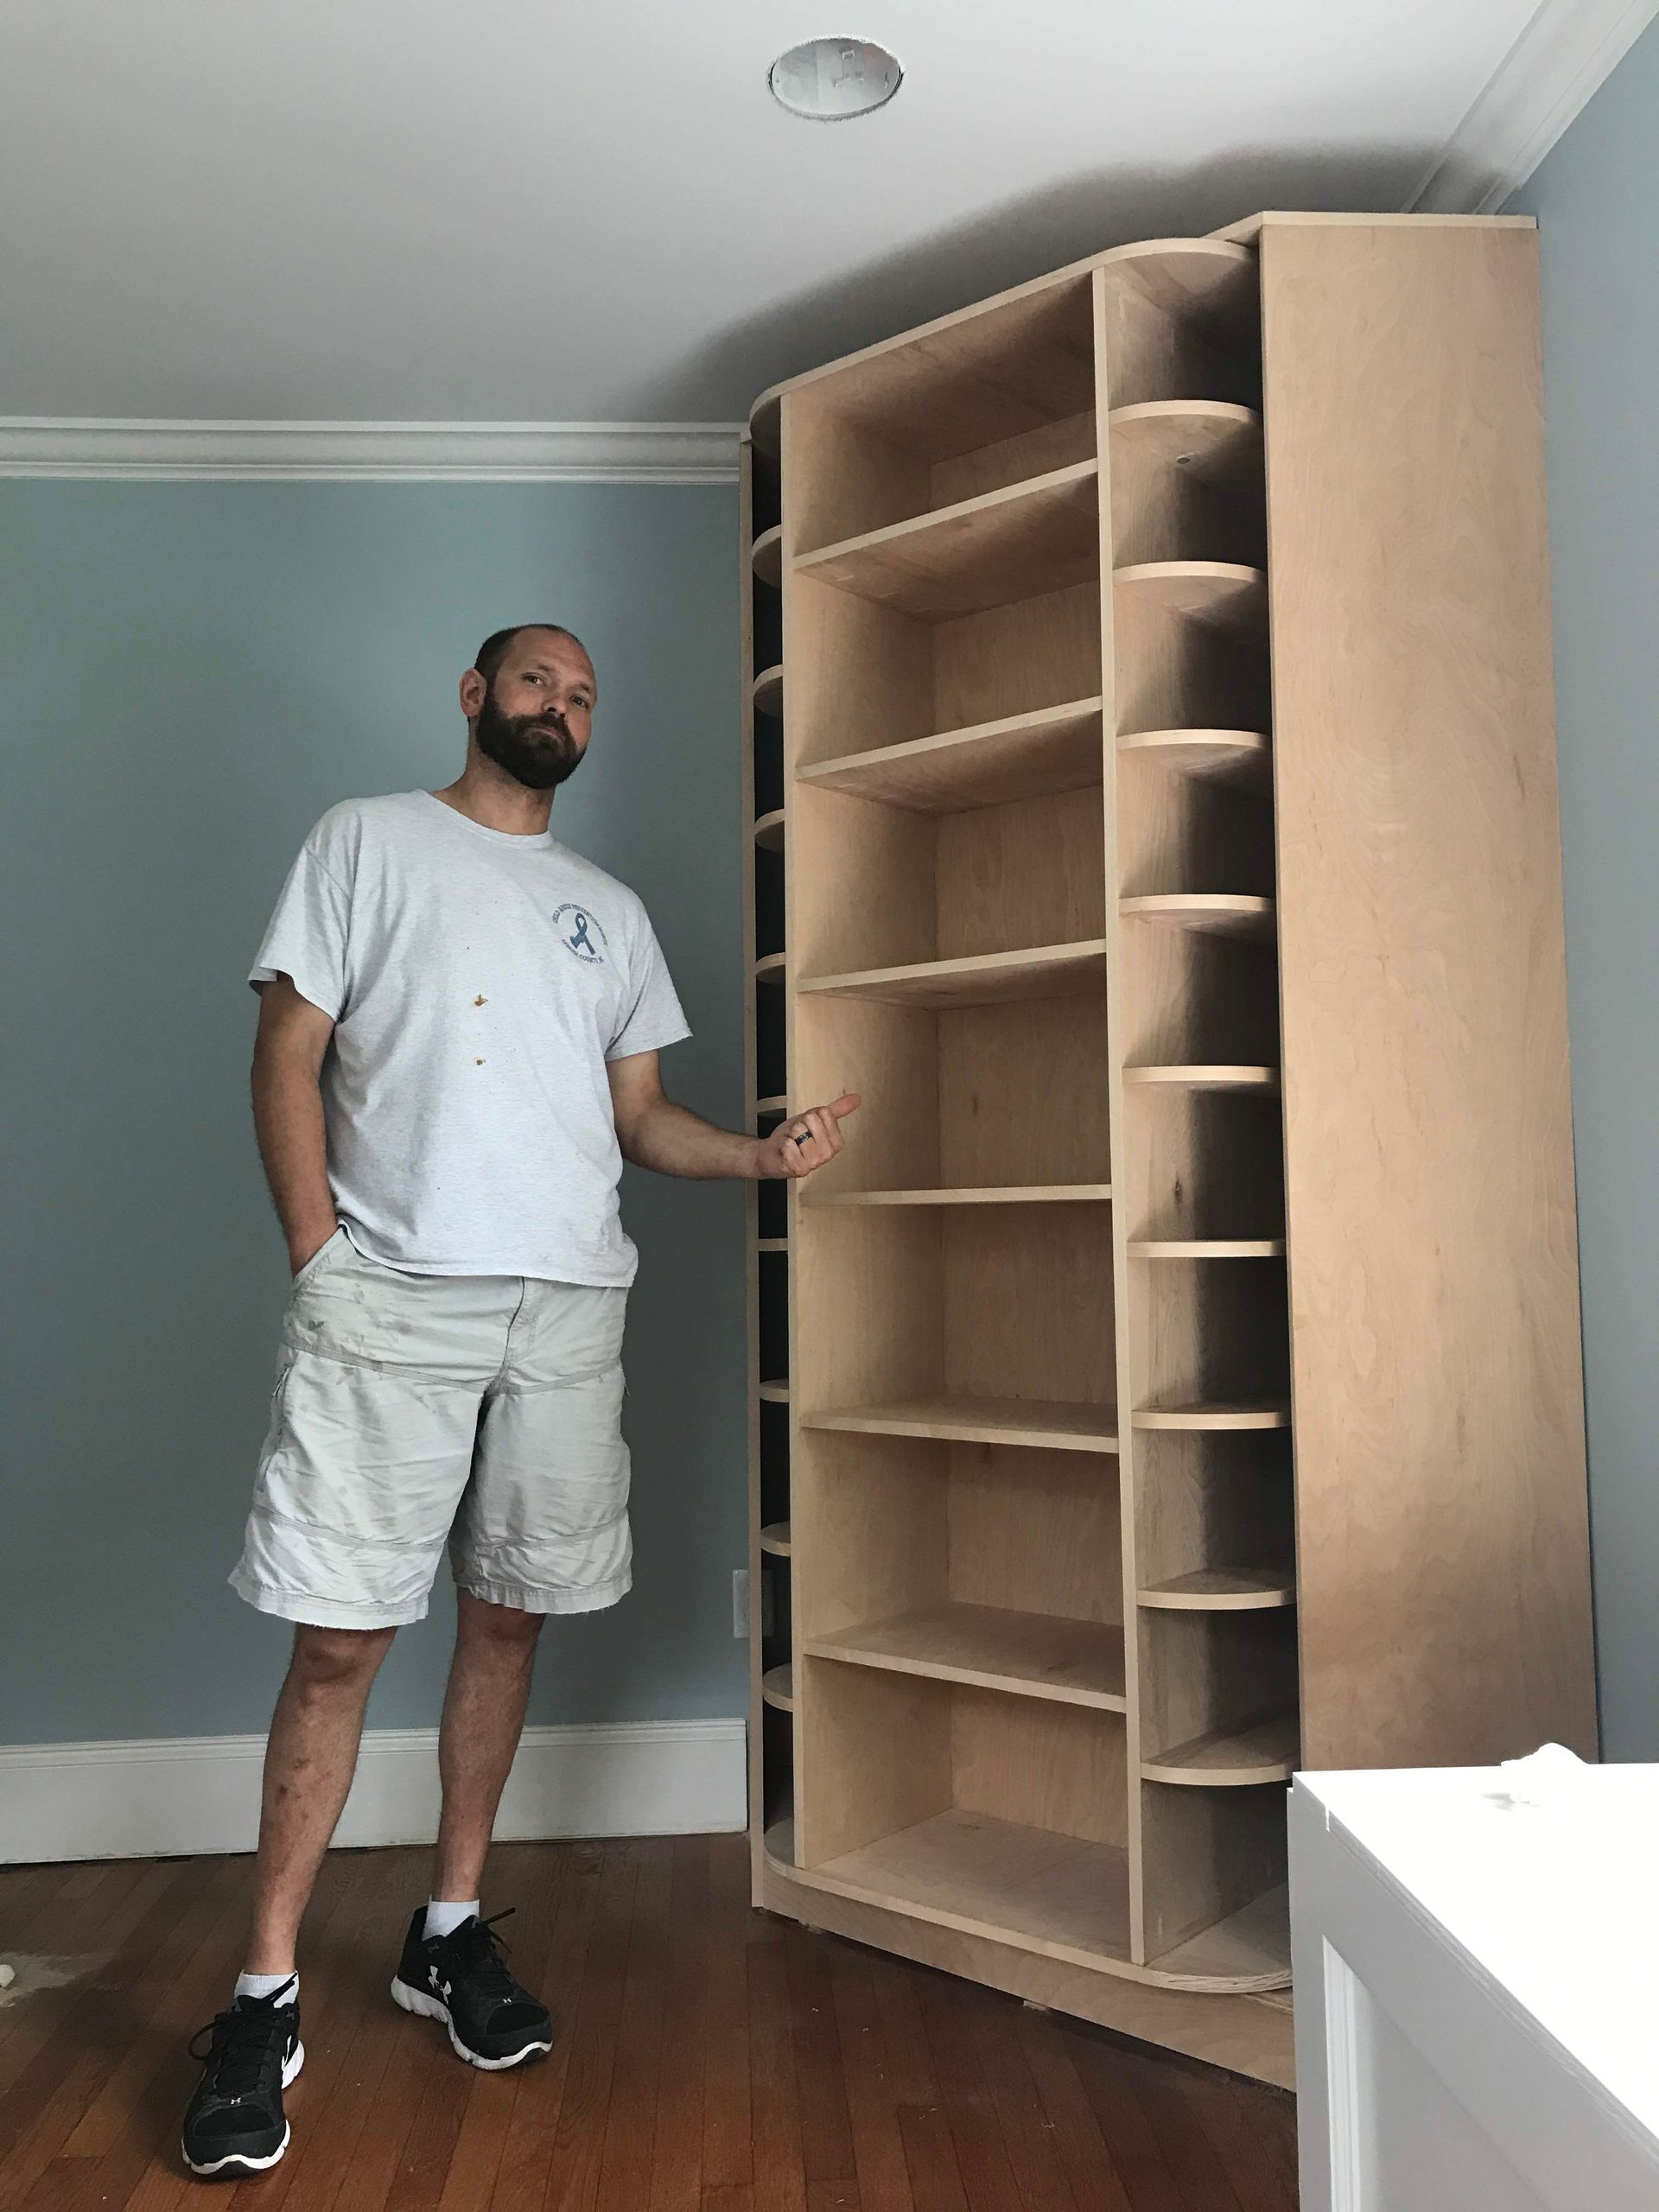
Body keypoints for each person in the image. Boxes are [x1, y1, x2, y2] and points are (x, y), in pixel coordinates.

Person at [181, 622, 859, 2178]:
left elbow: (637, 1121)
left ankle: (447, 1932)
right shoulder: (366, 841)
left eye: (589, 693)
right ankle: (264, 1992)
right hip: (390, 1299)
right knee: (343, 1636)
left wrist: (761, 1157)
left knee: (508, 1615)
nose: (567, 705)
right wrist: (317, 1254)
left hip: (566, 1310)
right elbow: (289, 1052)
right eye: (539, 682)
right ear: (476, 696)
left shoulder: (605, 914)